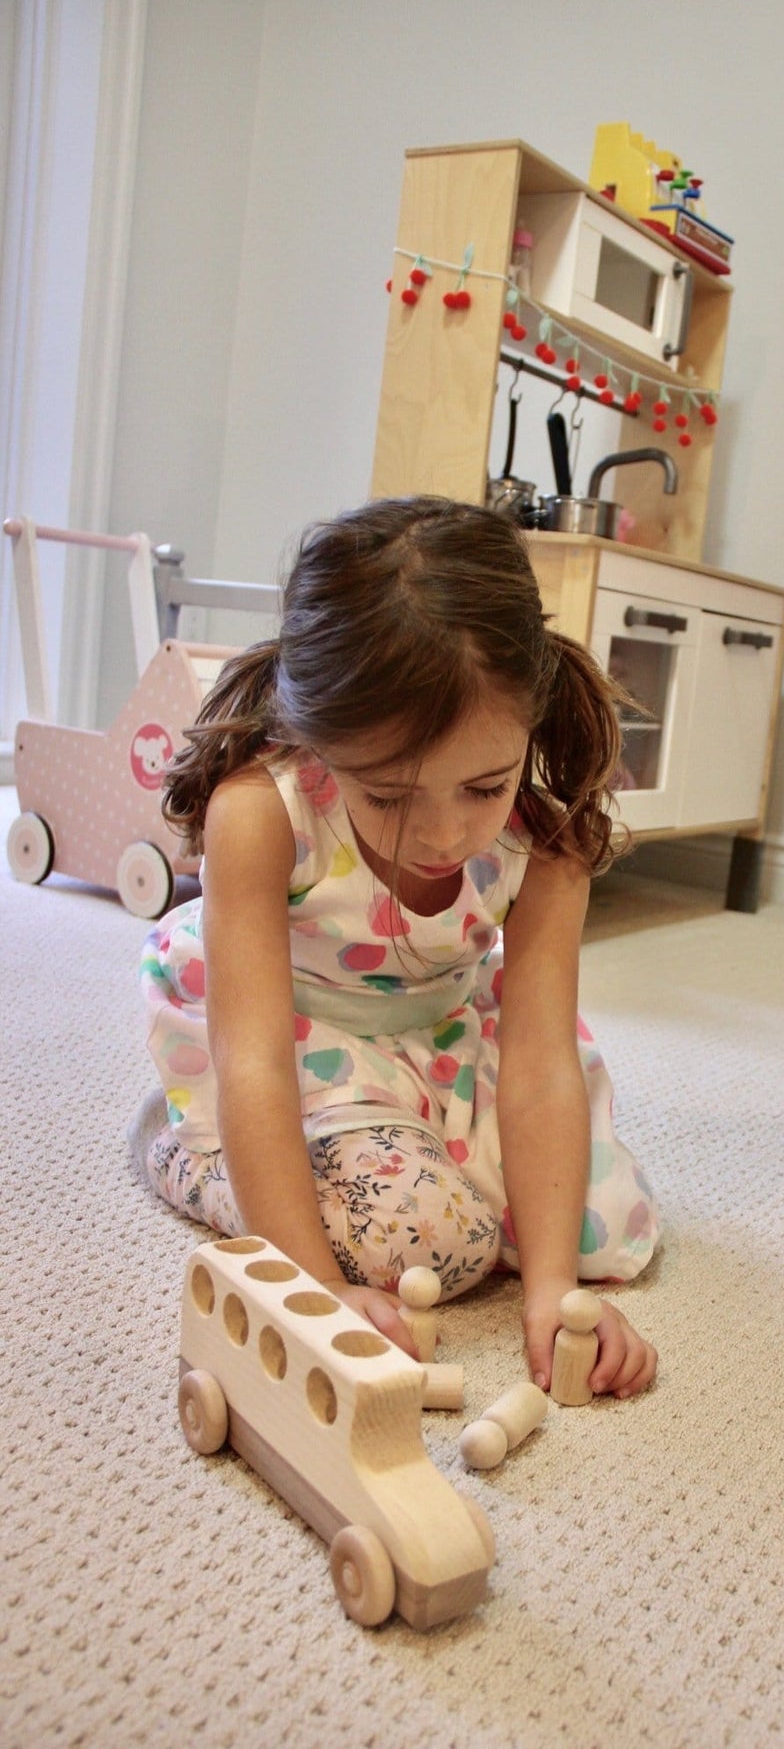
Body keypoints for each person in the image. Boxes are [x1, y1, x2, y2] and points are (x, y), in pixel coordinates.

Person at [135, 496, 658, 1398]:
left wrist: (552, 1296)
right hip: (296, 1032)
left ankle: (407, 1166)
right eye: (386, 796)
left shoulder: (549, 838)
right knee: (423, 1241)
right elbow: (253, 1057)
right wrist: (312, 1290)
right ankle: (189, 1153)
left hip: (444, 1032)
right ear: (318, 738)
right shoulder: (261, 812)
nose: (445, 836)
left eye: (484, 788)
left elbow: (540, 1063)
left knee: (601, 1229)